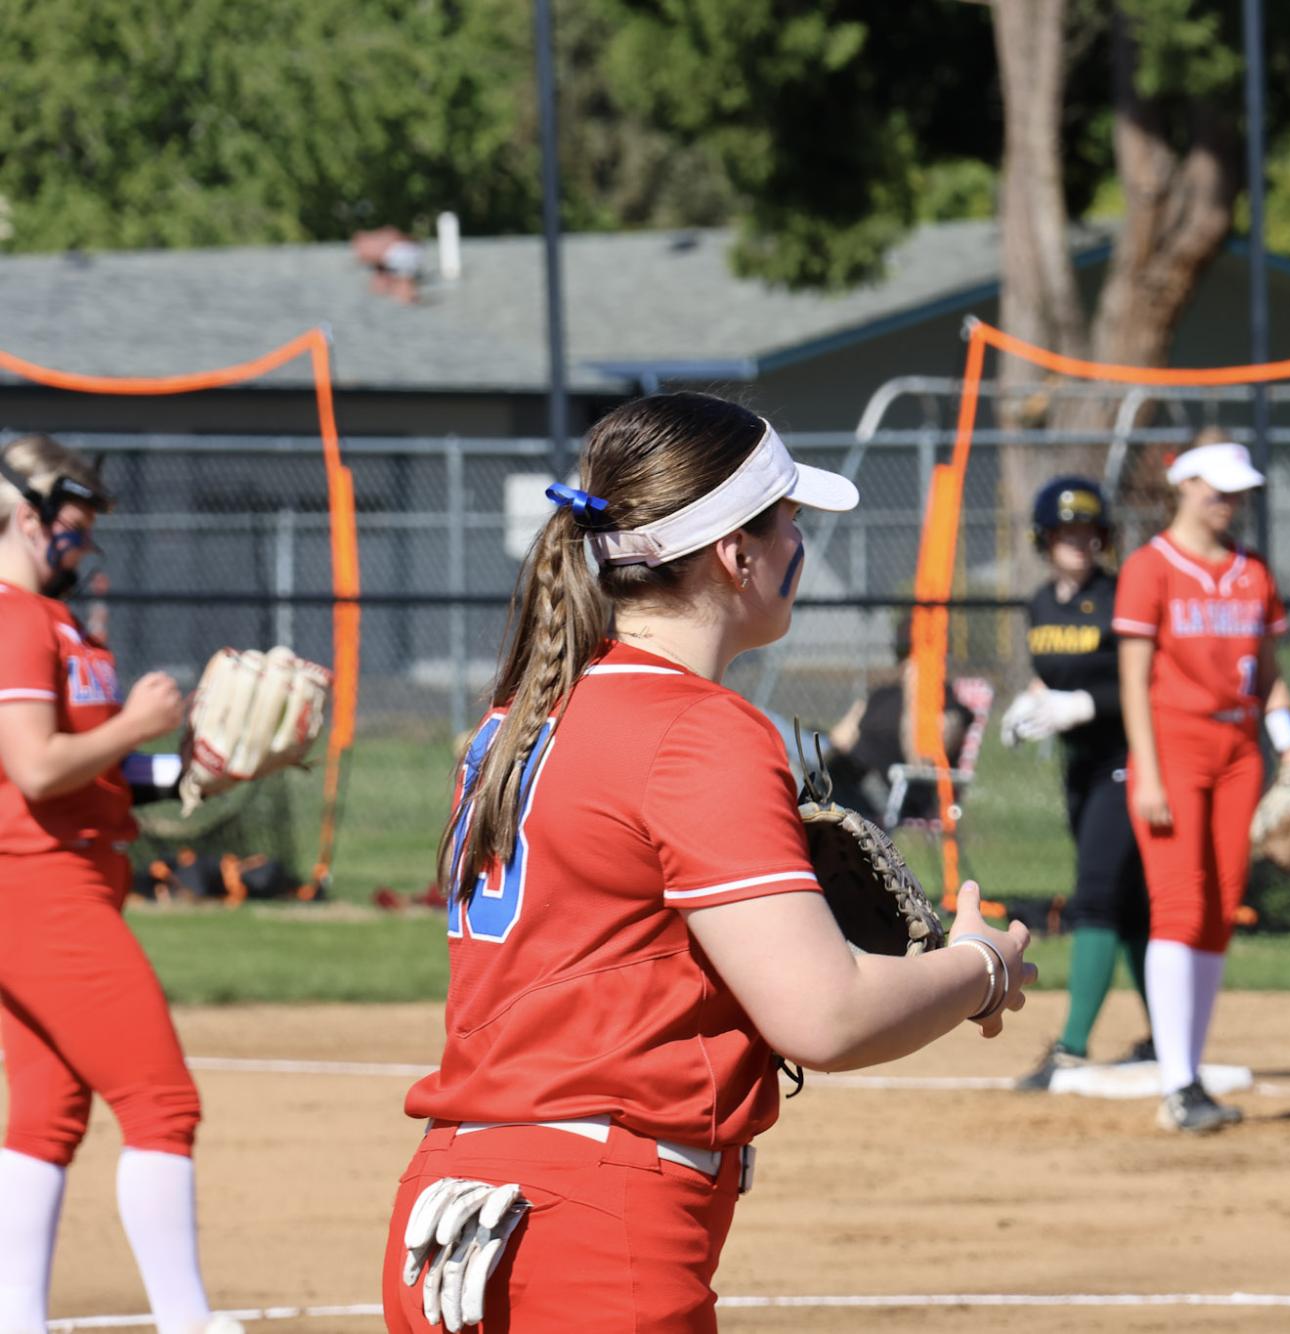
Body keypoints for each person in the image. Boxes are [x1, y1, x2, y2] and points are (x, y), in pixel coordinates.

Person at [382, 393, 1035, 1332]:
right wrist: (977, 971)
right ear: (737, 556)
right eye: (788, 525)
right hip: (593, 1232)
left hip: (453, 1211)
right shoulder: (696, 730)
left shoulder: (517, 715)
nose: (799, 549)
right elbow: (826, 1017)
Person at [0, 436, 243, 1334]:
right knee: (161, 1100)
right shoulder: (14, 618)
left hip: (62, 878)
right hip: (35, 882)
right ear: (26, 516)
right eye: (74, 522)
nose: (84, 542)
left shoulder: (55, 622)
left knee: (48, 1114)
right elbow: (35, 768)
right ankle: (189, 1322)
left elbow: (94, 774)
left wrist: (186, 766)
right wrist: (142, 718)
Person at [1112, 439, 1290, 1133]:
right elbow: (1133, 677)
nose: (1228, 501)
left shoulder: (1252, 572)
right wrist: (1148, 772)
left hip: (1238, 753)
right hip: (1174, 747)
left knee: (1221, 907)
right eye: (1216, 488)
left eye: (1236, 490)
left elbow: (1270, 671)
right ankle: (1177, 1082)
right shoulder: (1149, 567)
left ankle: (1188, 1077)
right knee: (1179, 906)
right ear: (1184, 486)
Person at [1001, 477, 1153, 1090]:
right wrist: (1031, 705)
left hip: (1128, 758)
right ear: (1045, 538)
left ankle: (1071, 1046)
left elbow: (1144, 680)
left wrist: (1085, 705)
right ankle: (1165, 1038)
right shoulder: (1041, 603)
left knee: (1094, 896)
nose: (1079, 542)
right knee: (1134, 909)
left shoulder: (1119, 596)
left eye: (1089, 531)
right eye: (1066, 532)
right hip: (1081, 768)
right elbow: (1051, 677)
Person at [822, 616, 975, 825]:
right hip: (844, 775)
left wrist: (915, 695)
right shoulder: (881, 695)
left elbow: (921, 760)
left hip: (890, 794)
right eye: (904, 654)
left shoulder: (949, 706)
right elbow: (837, 741)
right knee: (798, 760)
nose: (907, 663)